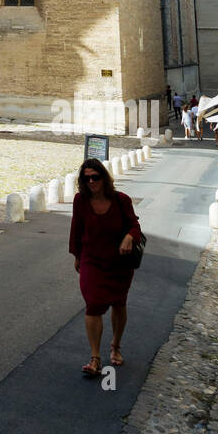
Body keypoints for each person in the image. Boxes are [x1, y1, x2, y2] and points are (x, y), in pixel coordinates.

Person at [69, 159, 142, 377]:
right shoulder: (80, 200)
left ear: (104, 177)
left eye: (95, 177)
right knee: (93, 304)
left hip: (119, 262)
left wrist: (130, 237)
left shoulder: (121, 200)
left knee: (118, 304)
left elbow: (135, 226)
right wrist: (76, 255)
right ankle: (95, 358)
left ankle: (116, 346)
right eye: (86, 178)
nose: (91, 181)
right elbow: (76, 228)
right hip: (92, 260)